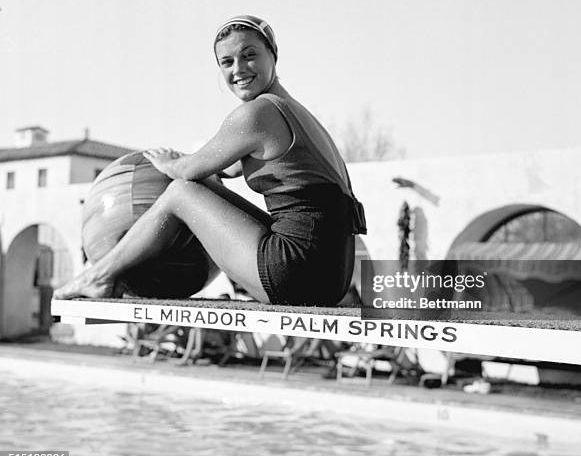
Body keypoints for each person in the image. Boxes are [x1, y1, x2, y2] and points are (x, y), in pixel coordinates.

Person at [54, 15, 366, 306]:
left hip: (297, 271)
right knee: (201, 187)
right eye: (226, 62)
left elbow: (187, 171)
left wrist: (167, 162)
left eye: (249, 55)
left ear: (273, 54)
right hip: (331, 275)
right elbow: (220, 169)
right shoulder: (291, 110)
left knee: (180, 192)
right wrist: (197, 173)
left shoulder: (258, 113)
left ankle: (99, 276)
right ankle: (111, 270)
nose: (239, 69)